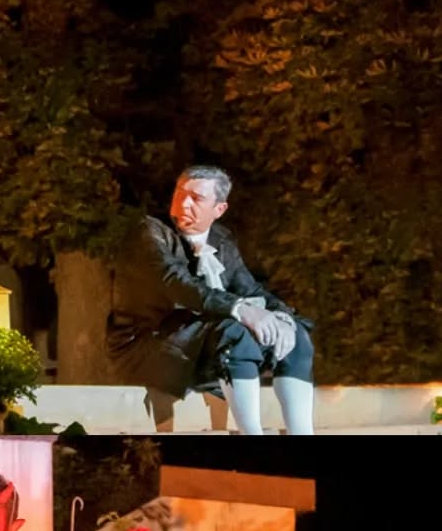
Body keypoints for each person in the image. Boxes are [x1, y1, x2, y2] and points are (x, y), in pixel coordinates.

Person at [108, 165, 316, 434]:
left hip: (202, 342)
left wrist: (281, 315)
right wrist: (240, 309)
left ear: (219, 209)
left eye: (196, 198)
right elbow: (178, 283)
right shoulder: (149, 231)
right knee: (235, 331)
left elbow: (249, 288)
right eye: (180, 193)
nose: (183, 203)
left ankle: (302, 433)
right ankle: (252, 433)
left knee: (296, 333)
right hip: (148, 343)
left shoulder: (221, 239)